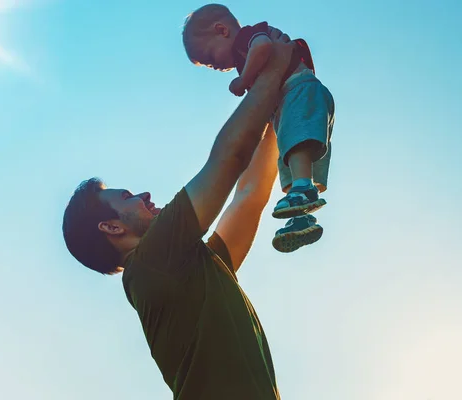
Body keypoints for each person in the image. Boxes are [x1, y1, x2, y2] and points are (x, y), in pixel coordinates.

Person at [62, 30, 298, 400]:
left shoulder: (189, 267)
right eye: (126, 196)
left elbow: (249, 196)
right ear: (110, 226)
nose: (144, 194)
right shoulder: (151, 261)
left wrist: (275, 113)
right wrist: (275, 70)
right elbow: (229, 158)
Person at [182, 3, 335, 253]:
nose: (215, 67)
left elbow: (263, 47)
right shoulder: (247, 56)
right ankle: (301, 217)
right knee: (288, 161)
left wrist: (244, 80)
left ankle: (303, 190)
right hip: (293, 100)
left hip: (299, 89)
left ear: (222, 30)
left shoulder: (249, 37)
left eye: (210, 58)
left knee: (295, 148)